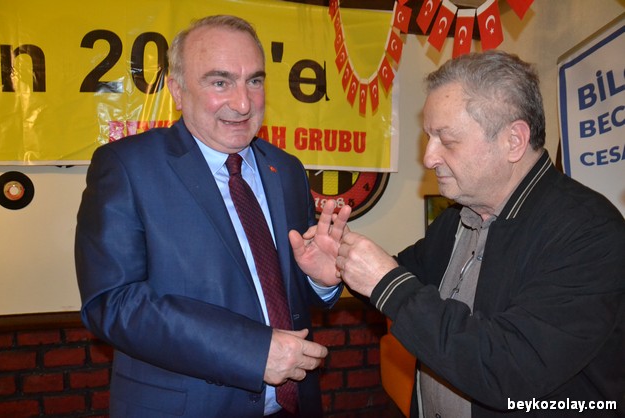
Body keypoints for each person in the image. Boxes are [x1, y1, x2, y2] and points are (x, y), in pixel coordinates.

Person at [300, 51, 625, 416]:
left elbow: (508, 369)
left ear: (514, 141)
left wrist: (385, 281)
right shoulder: (457, 218)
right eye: (429, 137)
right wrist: (340, 265)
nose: (428, 158)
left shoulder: (589, 232)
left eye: (447, 140)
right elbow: (400, 280)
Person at [75, 15, 349, 418]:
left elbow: (283, 298)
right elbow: (112, 303)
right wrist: (252, 351)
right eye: (220, 82)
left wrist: (319, 281)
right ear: (178, 90)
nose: (243, 103)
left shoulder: (286, 169)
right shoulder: (127, 166)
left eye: (254, 81)